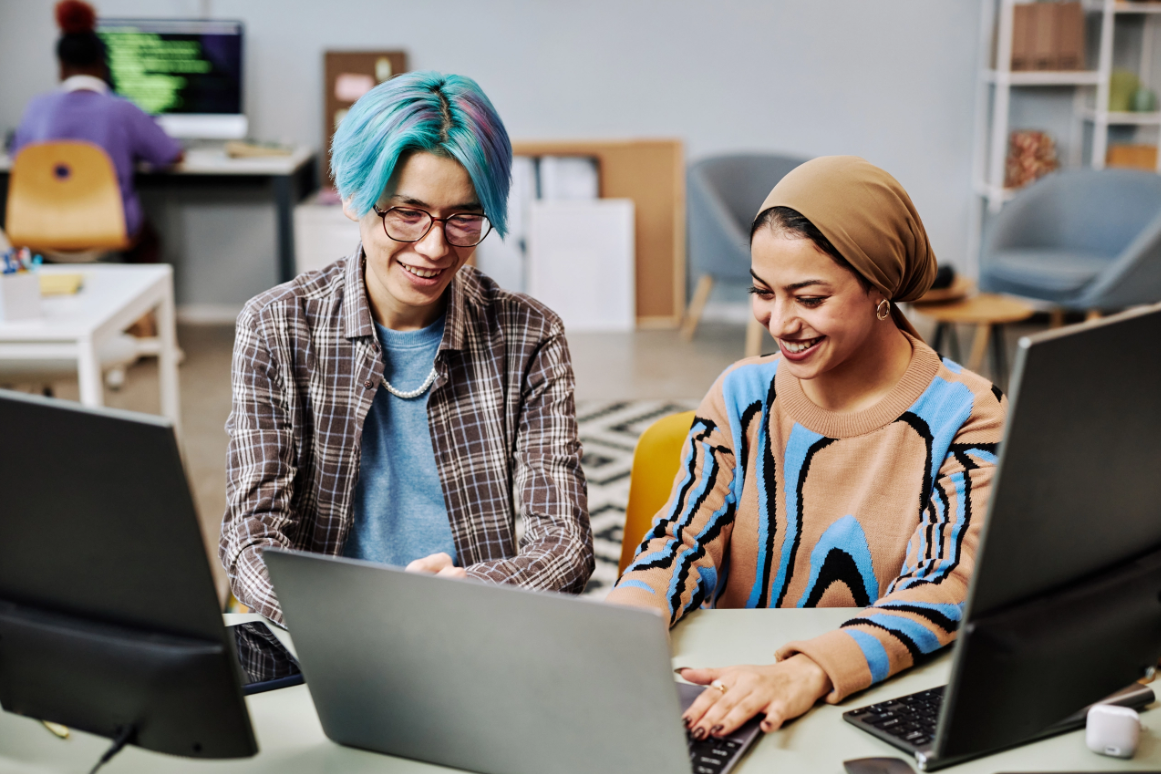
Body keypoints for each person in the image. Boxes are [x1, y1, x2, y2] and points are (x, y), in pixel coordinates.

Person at [607, 156, 1006, 739]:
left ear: (880, 288)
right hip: (723, 695)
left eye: (810, 298)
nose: (780, 321)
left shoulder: (967, 413)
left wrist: (806, 672)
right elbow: (681, 538)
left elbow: (946, 583)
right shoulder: (741, 392)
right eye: (762, 292)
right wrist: (630, 613)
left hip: (866, 701)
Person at [220, 71, 593, 623]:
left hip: (470, 623)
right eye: (408, 214)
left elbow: (565, 543)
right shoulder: (276, 326)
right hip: (332, 632)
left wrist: (464, 590)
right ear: (353, 195)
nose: (435, 247)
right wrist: (355, 613)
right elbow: (249, 537)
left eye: (464, 218)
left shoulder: (531, 336)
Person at [11, 1, 183, 260]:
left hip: (40, 224)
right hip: (108, 225)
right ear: (103, 64)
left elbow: (19, 159)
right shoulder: (122, 109)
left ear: (61, 66)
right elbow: (172, 155)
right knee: (148, 239)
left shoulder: (36, 107)